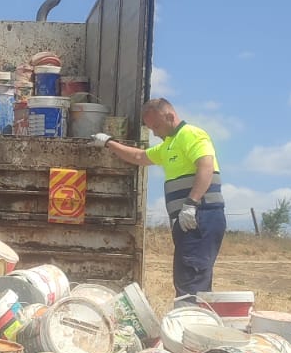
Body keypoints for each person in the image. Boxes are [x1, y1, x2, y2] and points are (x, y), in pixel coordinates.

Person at [92, 97, 226, 298]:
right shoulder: (169, 145)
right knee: (186, 276)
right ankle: (191, 320)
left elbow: (206, 165)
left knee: (192, 278)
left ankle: (190, 323)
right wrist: (109, 143)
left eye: (156, 126)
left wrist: (191, 203)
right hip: (188, 220)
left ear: (170, 116)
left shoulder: (191, 134)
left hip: (201, 217)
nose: (154, 133)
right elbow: (139, 157)